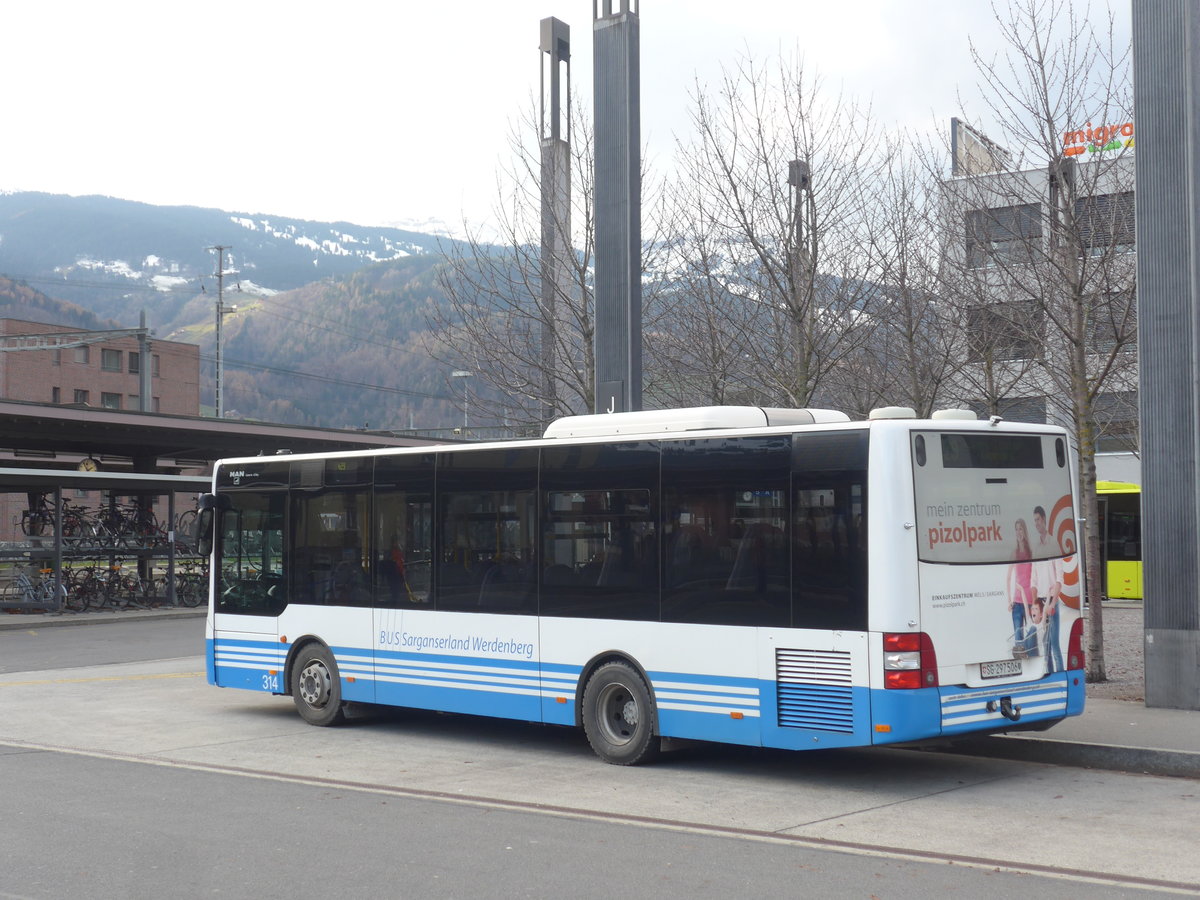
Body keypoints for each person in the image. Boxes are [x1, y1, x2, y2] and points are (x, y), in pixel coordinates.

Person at [1030, 505, 1065, 673]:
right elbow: (1034, 578)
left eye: (1038, 519)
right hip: (1041, 601)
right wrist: (1033, 603)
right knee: (1045, 645)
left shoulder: (1053, 544)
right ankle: (1050, 675)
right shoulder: (1036, 547)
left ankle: (1060, 675)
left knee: (1055, 644)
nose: (1036, 523)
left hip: (1051, 602)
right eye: (1034, 520)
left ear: (1044, 519)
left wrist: (1051, 604)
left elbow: (1059, 580)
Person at [1007, 518, 1033, 656]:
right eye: (1016, 529)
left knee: (1031, 638)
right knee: (1018, 639)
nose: (1018, 532)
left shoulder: (1031, 552)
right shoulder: (1014, 553)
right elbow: (1008, 577)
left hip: (1029, 601)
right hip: (1017, 602)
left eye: (1020, 528)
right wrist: (1009, 600)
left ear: (1025, 530)